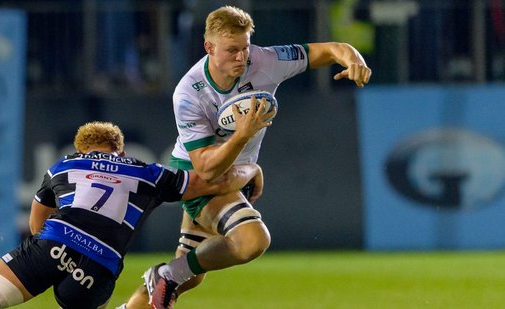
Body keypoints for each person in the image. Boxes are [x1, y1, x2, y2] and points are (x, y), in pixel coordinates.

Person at [123, 5, 372, 309]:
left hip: (231, 171)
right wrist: (243, 136)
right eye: (231, 51)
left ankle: (141, 297)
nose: (241, 57)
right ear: (209, 47)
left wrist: (352, 56)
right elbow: (206, 167)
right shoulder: (189, 92)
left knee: (190, 276)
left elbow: (329, 49)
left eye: (245, 48)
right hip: (198, 177)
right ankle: (167, 273)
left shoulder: (265, 59)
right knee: (253, 240)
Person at [0, 121, 264, 309]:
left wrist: (47, 261)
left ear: (81, 149)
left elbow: (38, 221)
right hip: (99, 268)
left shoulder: (63, 165)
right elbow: (213, 180)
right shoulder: (147, 172)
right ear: (121, 150)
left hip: (54, 245)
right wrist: (252, 169)